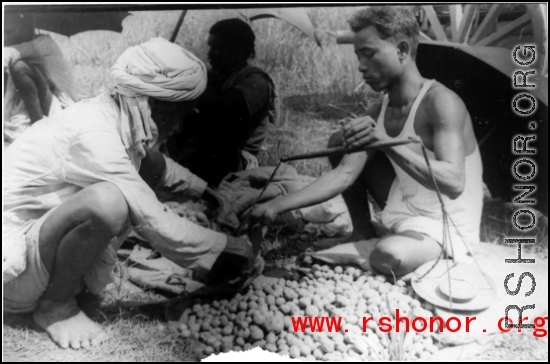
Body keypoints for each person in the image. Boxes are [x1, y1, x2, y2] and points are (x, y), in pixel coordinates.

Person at [3, 38, 256, 350]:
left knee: (122, 188)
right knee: (109, 203)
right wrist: (227, 246)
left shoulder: (114, 113)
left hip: (35, 244)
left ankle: (61, 287)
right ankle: (56, 305)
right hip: (10, 269)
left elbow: (154, 164)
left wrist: (208, 193)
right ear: (150, 104)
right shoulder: (93, 133)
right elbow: (153, 218)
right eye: (178, 115)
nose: (177, 129)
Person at [249, 6, 483, 276]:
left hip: (446, 222)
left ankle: (410, 248)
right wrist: (274, 206)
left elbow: (453, 184)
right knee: (342, 141)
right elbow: (344, 175)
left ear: (402, 50)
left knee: (388, 256)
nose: (360, 66)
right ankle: (362, 231)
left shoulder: (440, 102)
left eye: (369, 54)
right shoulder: (380, 109)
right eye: (358, 55)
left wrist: (383, 142)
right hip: (406, 207)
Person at [167, 18, 277, 187]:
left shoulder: (256, 80)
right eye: (210, 46)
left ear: (238, 50)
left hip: (237, 159)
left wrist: (185, 90)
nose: (209, 54)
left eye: (217, 48)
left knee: (209, 147)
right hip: (205, 151)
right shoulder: (213, 75)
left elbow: (231, 105)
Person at [4, 12, 77, 146]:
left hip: (62, 109)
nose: (6, 37)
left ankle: (39, 129)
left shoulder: (44, 43)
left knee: (19, 68)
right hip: (40, 103)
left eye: (10, 31)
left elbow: (8, 54)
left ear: (25, 27)